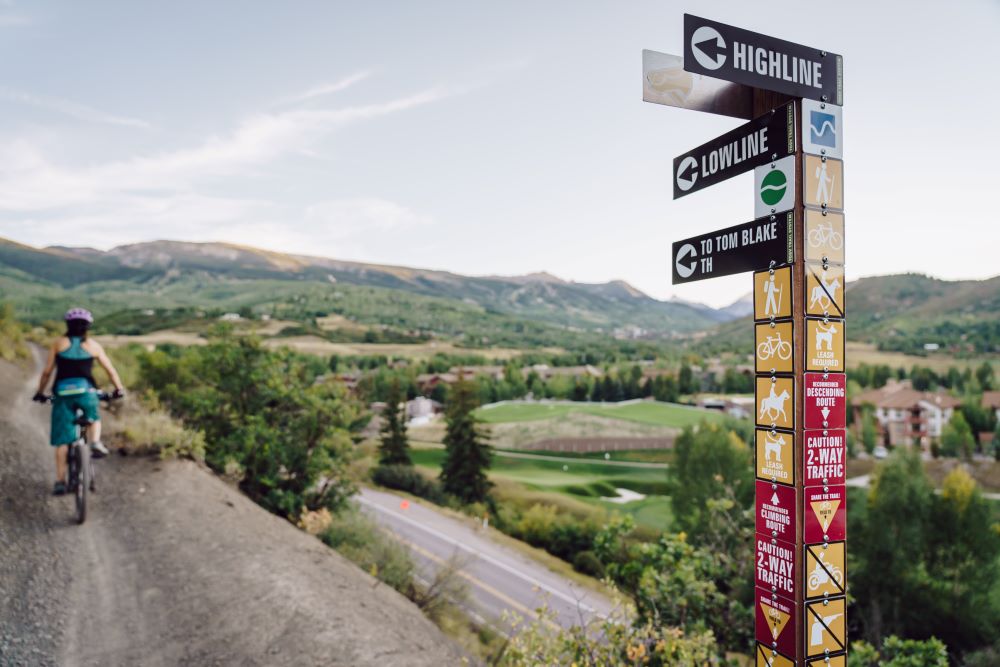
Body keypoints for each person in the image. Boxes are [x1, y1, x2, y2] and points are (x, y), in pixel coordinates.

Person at [32, 308, 125, 496]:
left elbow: (47, 372)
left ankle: (60, 481)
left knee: (62, 441)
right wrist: (118, 389)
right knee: (94, 417)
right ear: (87, 327)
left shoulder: (58, 344)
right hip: (86, 392)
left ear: (68, 325)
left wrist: (40, 393)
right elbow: (110, 370)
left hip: (62, 393)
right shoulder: (93, 346)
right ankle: (96, 442)